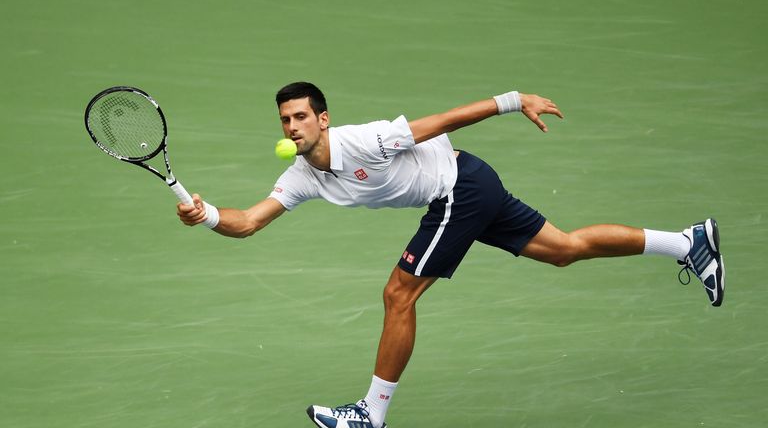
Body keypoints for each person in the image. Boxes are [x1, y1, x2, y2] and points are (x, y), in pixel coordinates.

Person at [177, 82, 725, 428]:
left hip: (457, 189)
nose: (292, 126)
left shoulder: (365, 140)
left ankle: (371, 415)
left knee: (399, 293)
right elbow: (248, 222)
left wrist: (514, 101)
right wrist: (207, 216)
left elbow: (439, 122)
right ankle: (688, 243)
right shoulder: (301, 176)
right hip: (472, 184)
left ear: (322, 119)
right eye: (284, 120)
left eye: (300, 116)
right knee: (565, 250)